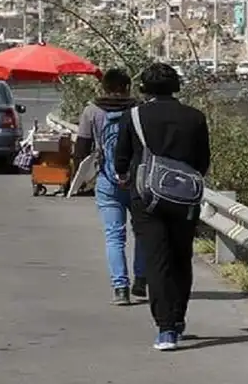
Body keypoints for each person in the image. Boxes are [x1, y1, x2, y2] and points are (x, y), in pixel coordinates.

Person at [113, 62, 210, 351]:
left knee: (157, 260)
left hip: (146, 197)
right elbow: (202, 161)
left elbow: (122, 158)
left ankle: (165, 329)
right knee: (181, 258)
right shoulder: (195, 117)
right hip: (185, 198)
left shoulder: (134, 116)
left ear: (144, 88)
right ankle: (178, 320)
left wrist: (124, 177)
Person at [75, 68, 146, 306]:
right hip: (137, 179)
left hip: (107, 179)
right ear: (127, 87)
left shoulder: (91, 111)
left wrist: (81, 179)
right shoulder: (138, 110)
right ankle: (141, 280)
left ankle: (120, 288)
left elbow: (82, 148)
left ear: (103, 88)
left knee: (114, 236)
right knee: (142, 233)